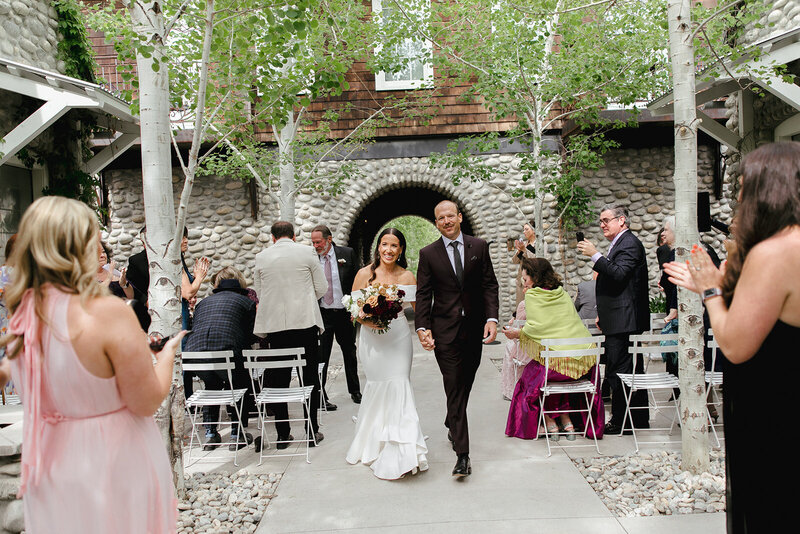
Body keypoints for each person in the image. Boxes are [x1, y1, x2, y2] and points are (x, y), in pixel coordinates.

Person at [0, 196, 182, 533]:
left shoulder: (22, 318)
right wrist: (167, 356)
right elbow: (145, 401)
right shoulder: (106, 312)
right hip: (114, 462)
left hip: (52, 468)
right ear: (80, 247)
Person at [664, 142, 800, 534]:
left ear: (767, 189)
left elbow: (736, 345)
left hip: (773, 409)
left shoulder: (773, 252)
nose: (738, 196)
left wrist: (709, 291)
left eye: (744, 186)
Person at [415, 200, 499, 478]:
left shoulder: (480, 246)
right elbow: (424, 293)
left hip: (474, 328)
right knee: (453, 385)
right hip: (444, 331)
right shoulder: (428, 254)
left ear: (460, 217)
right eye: (441, 218)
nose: (446, 221)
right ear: (436, 223)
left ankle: (452, 420)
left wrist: (491, 319)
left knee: (466, 381)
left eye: (451, 215)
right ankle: (462, 455)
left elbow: (489, 284)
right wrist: (422, 327)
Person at [345, 228, 428, 480]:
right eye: (384, 244)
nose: (389, 250)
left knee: (400, 383)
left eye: (394, 246)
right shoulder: (364, 274)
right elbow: (353, 310)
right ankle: (374, 442)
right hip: (371, 340)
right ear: (378, 247)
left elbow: (420, 310)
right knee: (377, 385)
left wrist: (426, 332)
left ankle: (403, 450)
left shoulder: (407, 276)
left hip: (399, 337)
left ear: (401, 249)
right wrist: (368, 322)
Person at [505, 258, 604, 440]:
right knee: (554, 367)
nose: (524, 283)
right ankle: (567, 420)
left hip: (557, 366)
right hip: (583, 363)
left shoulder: (533, 296)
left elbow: (536, 328)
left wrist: (516, 333)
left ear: (534, 278)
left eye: (525, 280)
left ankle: (549, 420)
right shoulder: (562, 293)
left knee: (531, 378)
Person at [577, 205, 650, 434]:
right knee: (627, 371)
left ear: (622, 220)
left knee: (619, 372)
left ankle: (621, 421)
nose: (602, 225)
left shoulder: (629, 242)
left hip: (624, 320)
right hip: (617, 318)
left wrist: (595, 255)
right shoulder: (620, 242)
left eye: (606, 220)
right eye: (600, 221)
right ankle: (636, 419)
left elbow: (619, 274)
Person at [253, 221, 327, 448]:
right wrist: (304, 302)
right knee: (310, 377)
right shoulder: (307, 252)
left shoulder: (262, 257)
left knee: (278, 380)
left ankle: (283, 435)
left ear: (273, 237)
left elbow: (259, 291)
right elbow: (321, 287)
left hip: (276, 327)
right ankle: (311, 431)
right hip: (305, 323)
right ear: (294, 236)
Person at [183, 267, 257, 451]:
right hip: (228, 355)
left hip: (196, 356)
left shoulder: (203, 303)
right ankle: (236, 433)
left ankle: (210, 434)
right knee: (240, 383)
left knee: (211, 387)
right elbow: (251, 334)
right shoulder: (245, 302)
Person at [310, 224, 362, 410]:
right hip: (323, 314)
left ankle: (355, 391)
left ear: (329, 240)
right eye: (313, 242)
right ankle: (321, 395)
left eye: (318, 242)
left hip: (344, 313)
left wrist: (356, 308)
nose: (315, 245)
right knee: (321, 356)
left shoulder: (347, 254)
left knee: (349, 352)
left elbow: (358, 280)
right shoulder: (311, 259)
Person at [500, 275, 533, 400]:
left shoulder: (524, 304)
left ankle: (511, 389)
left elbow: (518, 326)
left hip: (526, 348)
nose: (523, 290)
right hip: (542, 347)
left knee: (510, 347)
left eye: (526, 286)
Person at [511, 220, 536, 306]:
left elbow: (537, 261)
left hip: (534, 280)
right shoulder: (524, 244)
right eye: (523, 230)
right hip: (521, 281)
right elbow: (514, 261)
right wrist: (519, 251)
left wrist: (525, 250)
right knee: (521, 306)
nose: (524, 232)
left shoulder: (540, 244)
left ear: (534, 231)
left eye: (526, 229)